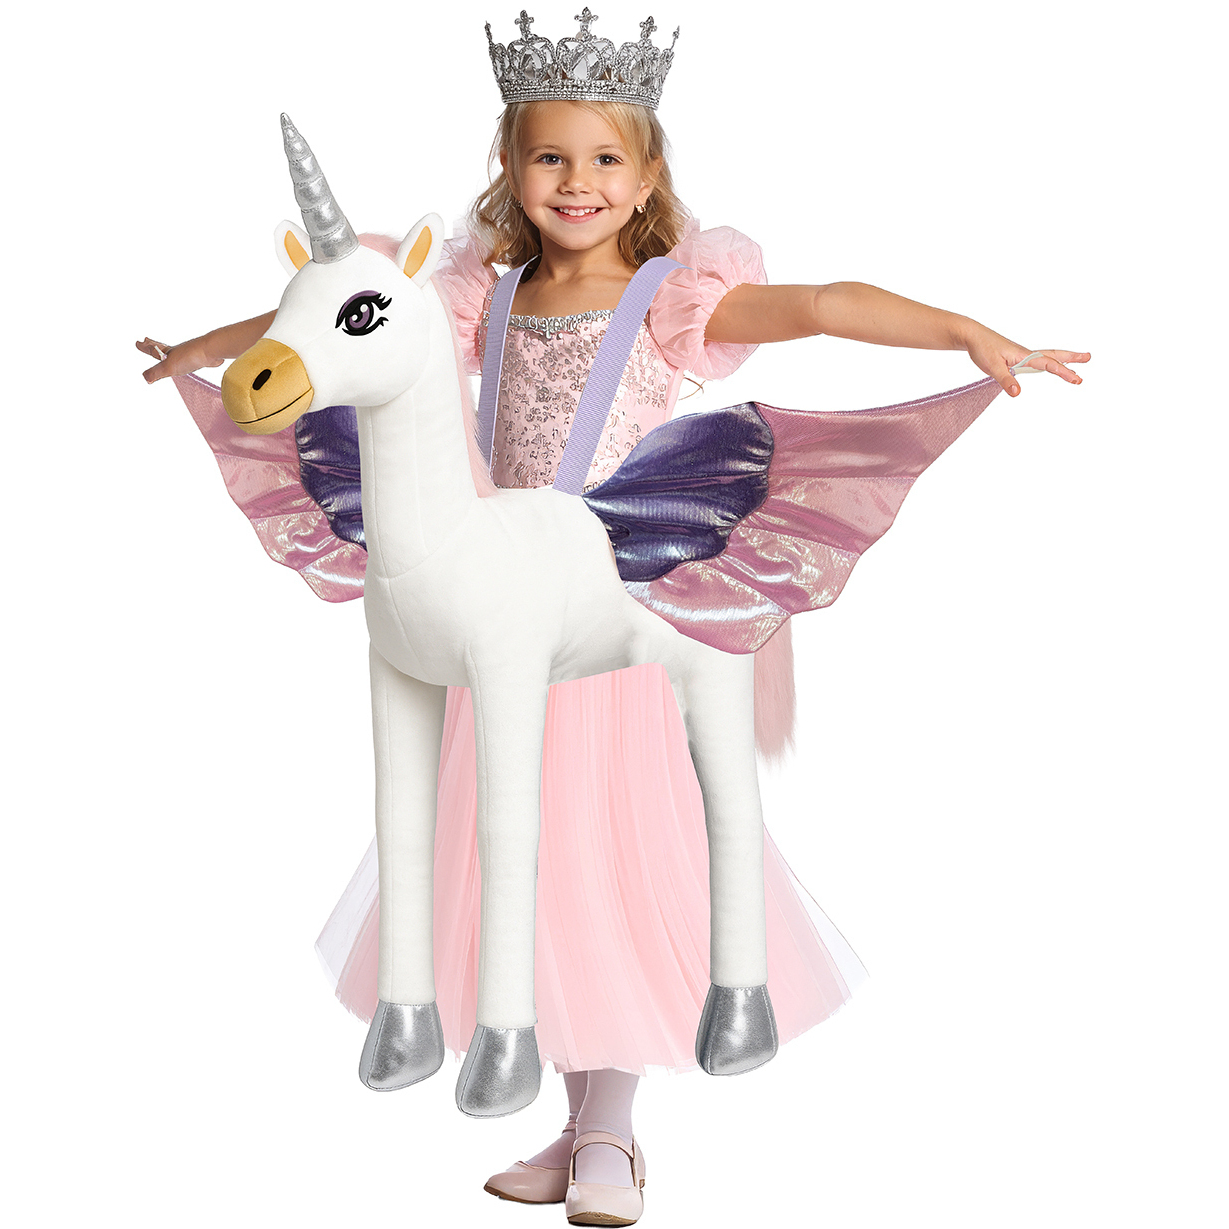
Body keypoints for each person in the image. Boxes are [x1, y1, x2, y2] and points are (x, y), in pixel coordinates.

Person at [138, 12, 1087, 1226]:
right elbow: (334, 315)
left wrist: (960, 329)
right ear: (510, 167)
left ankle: (613, 1134)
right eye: (549, 157)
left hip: (625, 593)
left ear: (646, 177)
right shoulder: (480, 296)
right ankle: (576, 1116)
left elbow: (817, 302)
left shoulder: (665, 299)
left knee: (605, 859)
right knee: (525, 863)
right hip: (496, 597)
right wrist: (205, 348)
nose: (574, 182)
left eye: (602, 160)